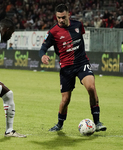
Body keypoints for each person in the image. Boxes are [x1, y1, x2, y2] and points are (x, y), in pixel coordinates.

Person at [39, 4, 107, 132]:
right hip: (66, 68)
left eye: (63, 17)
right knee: (65, 100)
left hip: (82, 63)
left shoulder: (78, 25)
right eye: (58, 17)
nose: (61, 20)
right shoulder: (53, 32)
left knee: (91, 87)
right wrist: (43, 55)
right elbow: (43, 48)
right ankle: (59, 124)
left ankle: (97, 122)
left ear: (68, 14)